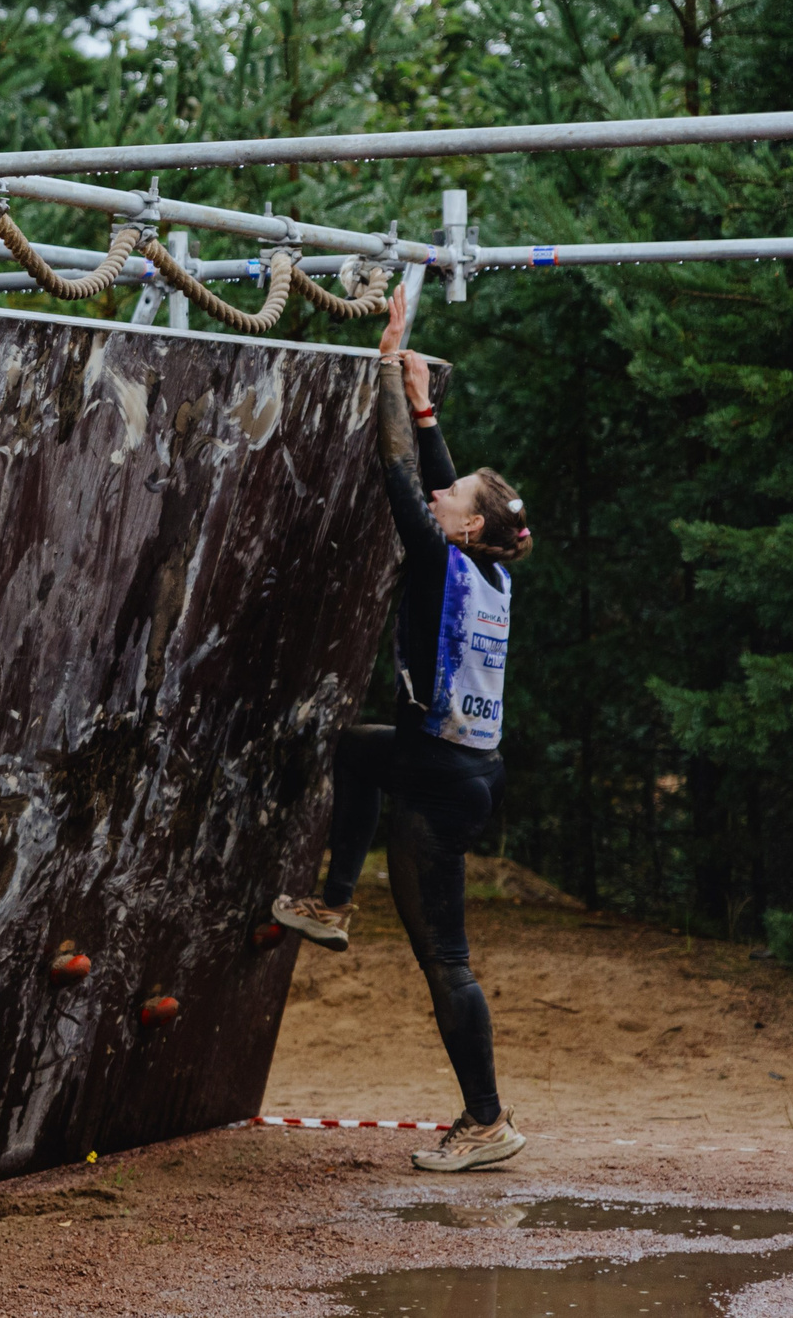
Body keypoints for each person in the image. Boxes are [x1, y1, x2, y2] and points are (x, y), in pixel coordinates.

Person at [274, 298, 535, 1174]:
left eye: (450, 499)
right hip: (466, 766)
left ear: (464, 527)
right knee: (357, 749)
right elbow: (442, 483)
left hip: (440, 776)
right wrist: (428, 409)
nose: (439, 490)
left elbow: (396, 472)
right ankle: (336, 901)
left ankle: (486, 1119)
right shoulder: (487, 568)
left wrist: (388, 364)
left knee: (446, 960)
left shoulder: (441, 556)